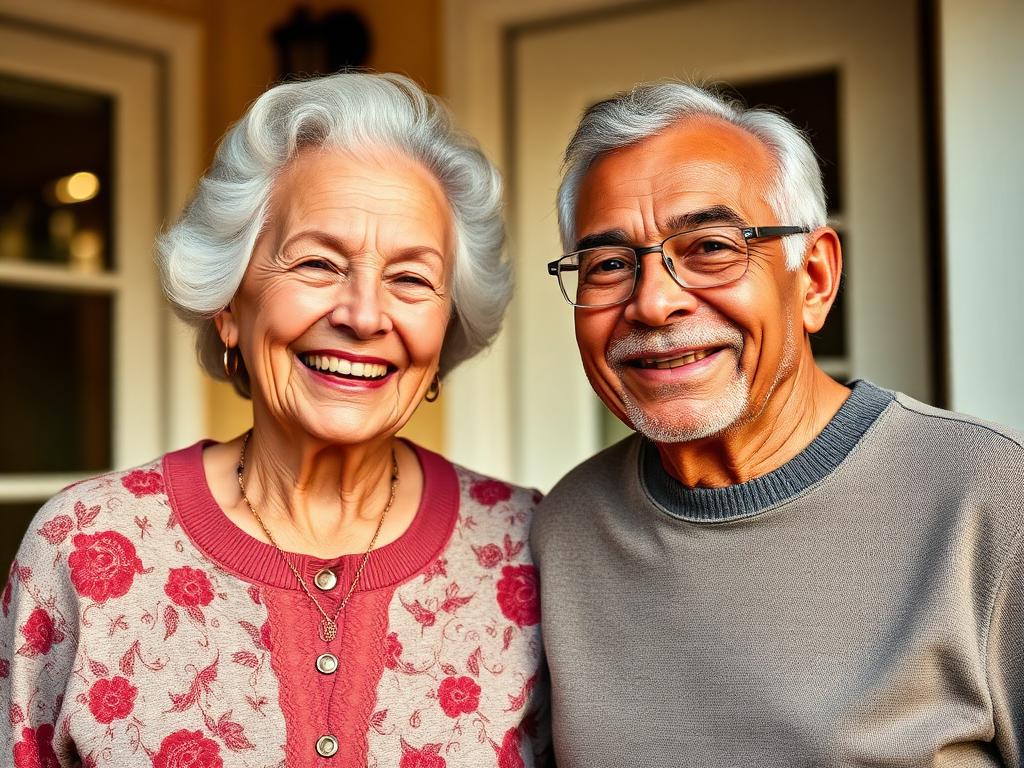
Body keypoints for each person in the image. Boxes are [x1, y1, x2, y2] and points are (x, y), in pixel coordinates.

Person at [1, 73, 548, 767]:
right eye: (318, 264)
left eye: (411, 278)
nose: (364, 316)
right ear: (229, 305)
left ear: (447, 328)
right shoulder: (84, 547)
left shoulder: (528, 546)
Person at [534, 80, 1024, 766]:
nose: (653, 303)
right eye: (610, 264)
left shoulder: (991, 495)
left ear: (814, 278)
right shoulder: (563, 531)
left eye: (710, 247)